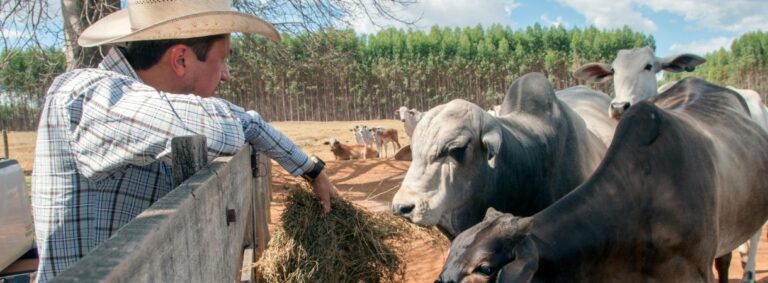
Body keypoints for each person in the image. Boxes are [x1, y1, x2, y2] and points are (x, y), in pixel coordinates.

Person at [30, 0, 340, 281]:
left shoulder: (143, 108)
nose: (226, 75)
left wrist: (310, 168)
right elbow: (220, 126)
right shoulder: (87, 95)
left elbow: (244, 122)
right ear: (180, 59)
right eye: (224, 59)